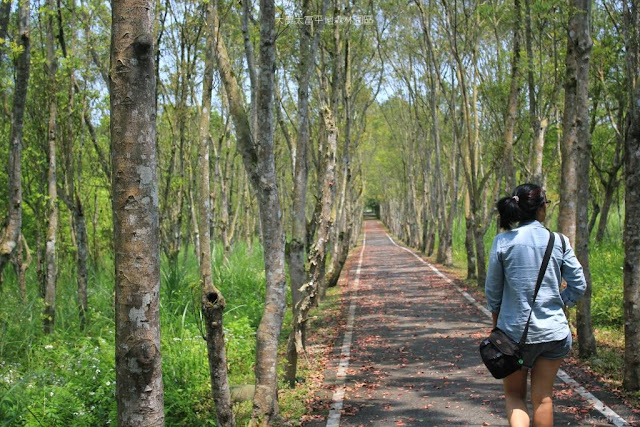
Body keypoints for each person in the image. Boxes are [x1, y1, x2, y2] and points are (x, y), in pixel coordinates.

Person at [485, 183, 587, 427]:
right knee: (543, 399)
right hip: (553, 333)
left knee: (514, 395)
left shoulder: (503, 242)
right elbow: (579, 285)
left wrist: (497, 327)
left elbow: (493, 293)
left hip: (513, 335)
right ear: (541, 209)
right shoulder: (559, 241)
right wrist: (559, 304)